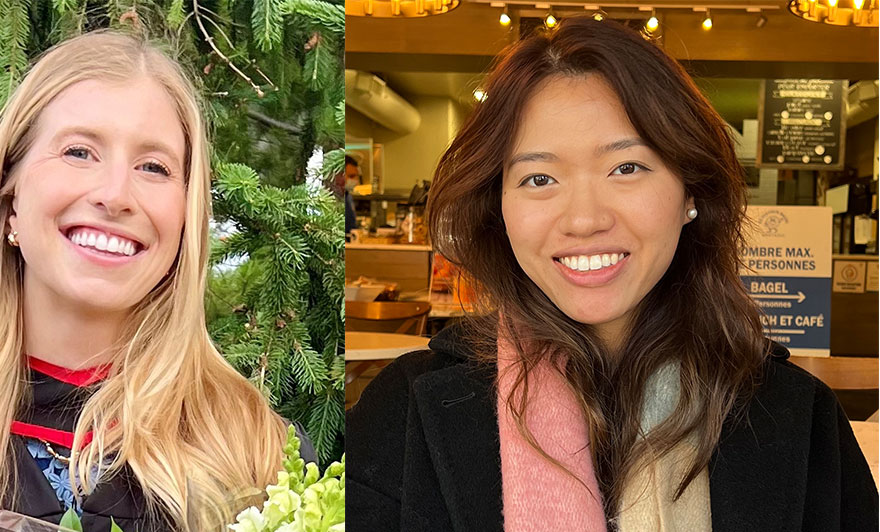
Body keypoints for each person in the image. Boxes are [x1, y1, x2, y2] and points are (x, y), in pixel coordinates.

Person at [345, 18, 877, 532]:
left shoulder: (799, 419)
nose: (584, 220)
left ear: (691, 192)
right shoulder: (406, 411)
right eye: (538, 177)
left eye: (627, 168)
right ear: (498, 209)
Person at [0, 31, 316, 532]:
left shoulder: (260, 459)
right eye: (79, 152)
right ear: (10, 201)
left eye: (153, 167)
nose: (116, 194)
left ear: (186, 218)